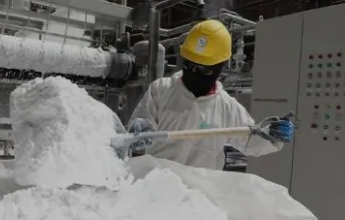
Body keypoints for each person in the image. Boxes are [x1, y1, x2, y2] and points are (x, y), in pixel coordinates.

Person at [126, 19, 295, 170]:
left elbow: (250, 141)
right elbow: (140, 126)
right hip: (158, 187)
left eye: (203, 69)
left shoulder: (227, 107)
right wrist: (138, 129)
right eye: (189, 65)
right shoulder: (161, 90)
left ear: (219, 67)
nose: (193, 73)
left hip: (198, 196)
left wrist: (272, 136)